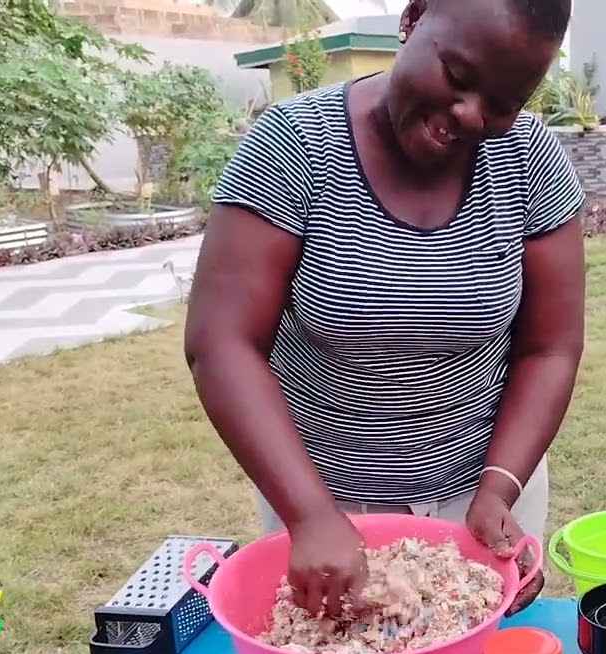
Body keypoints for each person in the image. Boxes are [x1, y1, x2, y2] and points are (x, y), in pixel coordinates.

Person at [183, 0, 582, 620]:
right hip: (321, 502)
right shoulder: (295, 145)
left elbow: (550, 347)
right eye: (457, 76)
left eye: (504, 103)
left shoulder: (530, 160)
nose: (471, 115)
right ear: (413, 17)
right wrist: (310, 517)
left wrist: (502, 486)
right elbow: (222, 342)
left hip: (485, 496)